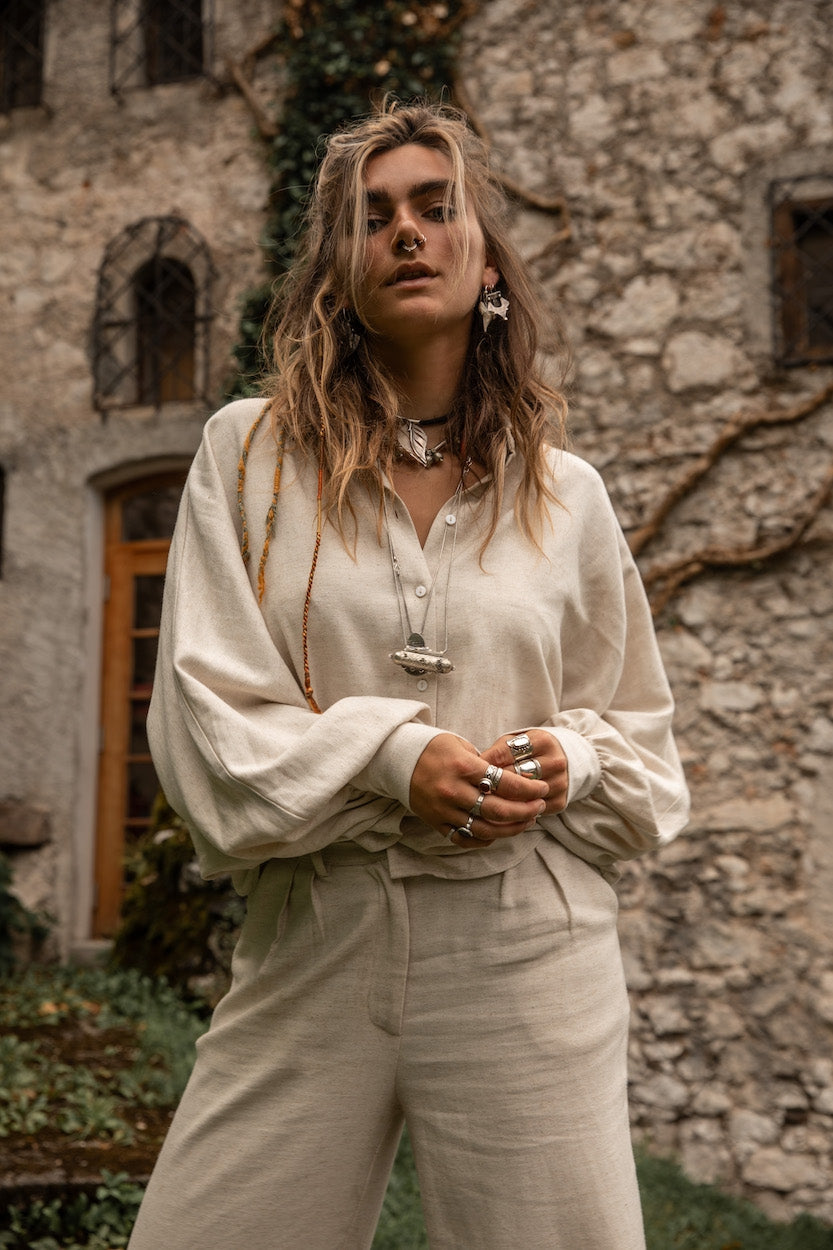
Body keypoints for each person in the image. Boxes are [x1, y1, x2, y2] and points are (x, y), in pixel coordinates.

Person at [127, 100, 689, 1250]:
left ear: (485, 260)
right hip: (315, 932)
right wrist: (392, 753)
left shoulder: (566, 495)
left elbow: (637, 741)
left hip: (524, 943)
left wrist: (567, 758)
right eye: (373, 215)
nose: (405, 232)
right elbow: (203, 714)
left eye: (436, 208)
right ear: (340, 267)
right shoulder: (249, 457)